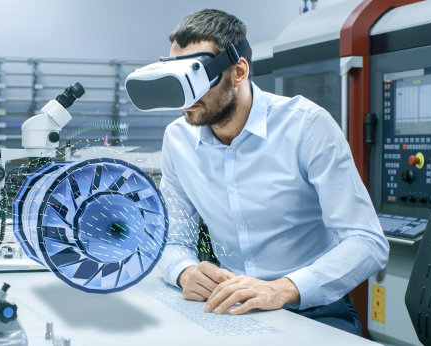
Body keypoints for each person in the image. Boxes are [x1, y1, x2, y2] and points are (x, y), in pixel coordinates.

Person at [156, 9, 389, 336]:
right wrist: (184, 271)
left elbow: (367, 242)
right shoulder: (178, 140)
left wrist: (284, 288)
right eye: (177, 80)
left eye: (196, 77)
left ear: (238, 72)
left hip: (314, 310)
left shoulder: (307, 126)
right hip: (232, 307)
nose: (185, 95)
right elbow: (169, 240)